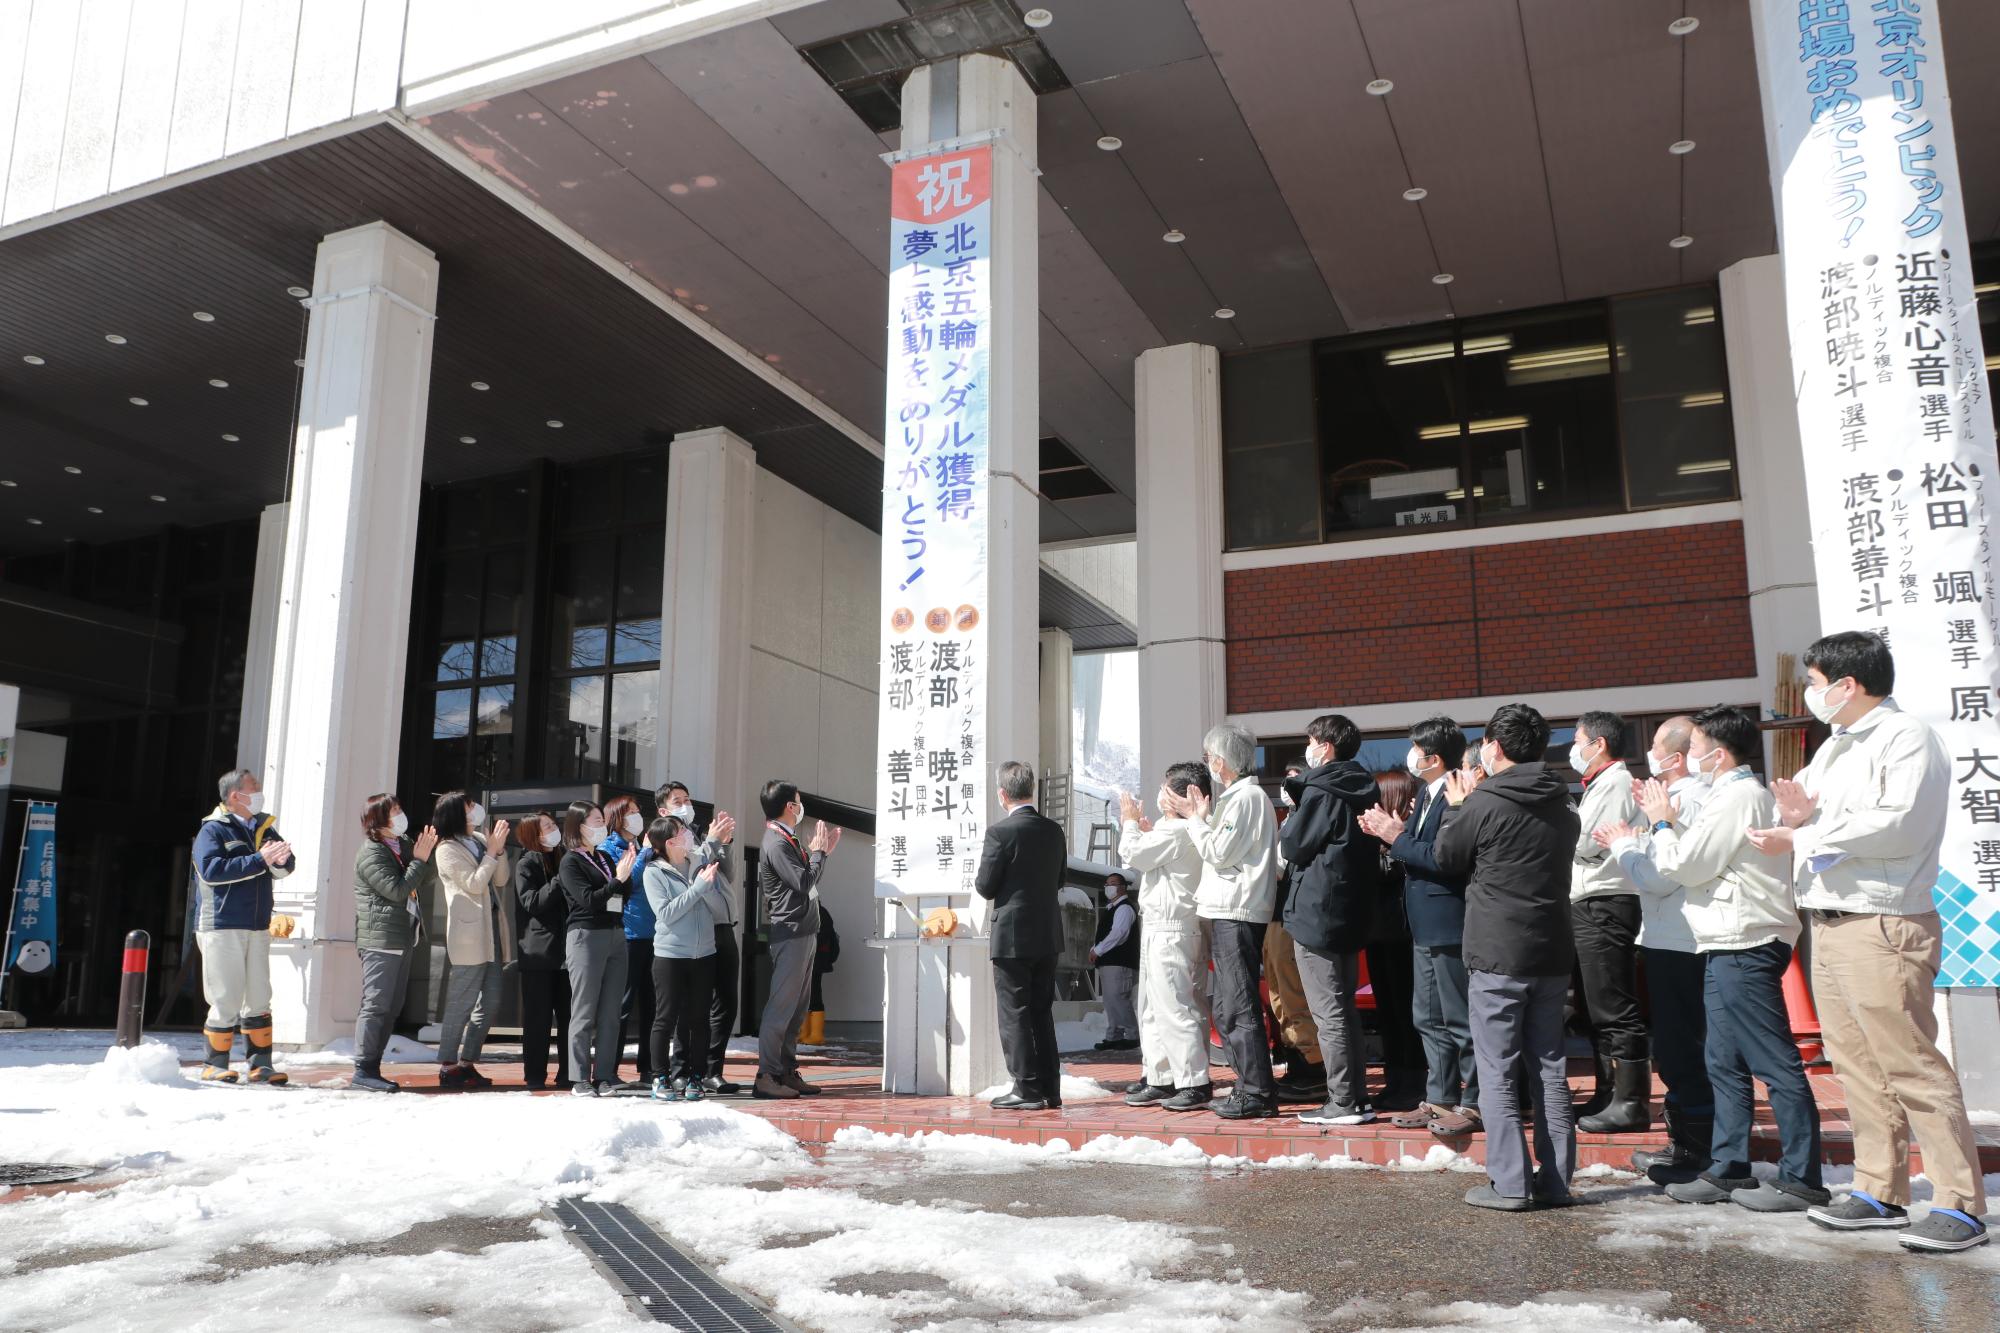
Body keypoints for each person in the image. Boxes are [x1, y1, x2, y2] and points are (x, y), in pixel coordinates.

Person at [1747, 630, 1990, 1253]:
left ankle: (1958, 1201)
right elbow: (1814, 816)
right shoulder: (1837, 746)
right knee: (1856, 1063)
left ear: (1847, 685)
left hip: (1881, 920)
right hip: (1830, 920)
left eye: (1816, 682)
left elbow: (1898, 824)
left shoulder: (1906, 737)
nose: (1812, 692)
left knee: (1908, 1060)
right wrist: (1797, 819)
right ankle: (1880, 1189)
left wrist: (1804, 834)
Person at [1601, 705, 1827, 1213]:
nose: (1687, 757)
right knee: (1721, 1060)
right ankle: (1728, 1167)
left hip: (1745, 938)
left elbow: (1686, 865)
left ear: (1718, 755)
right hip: (1723, 939)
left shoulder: (1738, 796)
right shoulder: (1731, 794)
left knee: (1773, 1060)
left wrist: (1660, 825)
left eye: (1696, 748)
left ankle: (1801, 1177)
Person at [1433, 703, 1581, 1211]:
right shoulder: (1564, 801)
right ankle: (1558, 1180)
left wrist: (1455, 807)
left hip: (1497, 951)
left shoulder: (1485, 800)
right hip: (1552, 948)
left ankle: (1511, 1184)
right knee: (1549, 1068)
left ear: (1494, 748)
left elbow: (1447, 857)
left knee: (1497, 1069)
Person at [1606, 716, 1716, 1179]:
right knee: (1677, 1045)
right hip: (1668, 935)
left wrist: (1624, 847)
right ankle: (1685, 1144)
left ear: (1673, 757)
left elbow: (1661, 876)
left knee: (1681, 1047)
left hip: (1680, 938)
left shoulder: (1686, 801)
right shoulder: (1673, 801)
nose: (1647, 752)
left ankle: (1694, 1152)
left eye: (1653, 744)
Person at [1361, 717, 1480, 1138]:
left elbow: (1447, 857)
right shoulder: (1428, 794)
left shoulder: (1457, 795)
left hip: (1449, 920)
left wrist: (1395, 835)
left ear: (1433, 756)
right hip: (1422, 923)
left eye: (1416, 749)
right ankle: (1439, 1097)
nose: (1411, 756)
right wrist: (1389, 834)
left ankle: (1474, 1102)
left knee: (1459, 1017)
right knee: (1427, 1017)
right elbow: (1416, 852)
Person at [1169, 722, 1280, 1120]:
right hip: (1229, 909)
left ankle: (1256, 1091)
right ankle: (1247, 1087)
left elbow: (1218, 851)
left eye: (1210, 756)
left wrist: (1195, 818)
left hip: (1237, 910)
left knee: (1239, 1003)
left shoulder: (1245, 798)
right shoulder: (1239, 797)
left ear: (1222, 760)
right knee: (1231, 1004)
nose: (1209, 764)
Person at [1277, 713, 1383, 1126]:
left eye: (1310, 740)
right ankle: (1355, 1097)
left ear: (1325, 746)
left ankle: (1343, 1101)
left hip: (1316, 910)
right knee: (1343, 1009)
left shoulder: (1320, 790)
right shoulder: (1361, 784)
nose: (1307, 747)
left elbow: (1293, 844)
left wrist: (1296, 805)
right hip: (1348, 909)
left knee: (1328, 1010)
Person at [1568, 709, 1649, 1133]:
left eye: (1577, 739)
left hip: (1607, 901)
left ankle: (1632, 1101)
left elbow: (1586, 843)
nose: (1573, 748)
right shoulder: (1599, 784)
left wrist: (1565, 826)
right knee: (1594, 1006)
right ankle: (1608, 1091)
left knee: (1614, 1006)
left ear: (1598, 744)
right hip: (1588, 901)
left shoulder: (1617, 782)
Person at [1118, 762, 1214, 1111]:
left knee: (1175, 1006)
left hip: (1172, 927)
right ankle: (1161, 1076)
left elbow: (1132, 854)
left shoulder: (1179, 830)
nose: (1159, 794)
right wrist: (1144, 829)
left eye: (1164, 788)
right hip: (1165, 925)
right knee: (1153, 1008)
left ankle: (1193, 1081)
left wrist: (1129, 822)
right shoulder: (1176, 829)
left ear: (1181, 795)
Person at [192, 769, 296, 1084]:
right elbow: (210, 871)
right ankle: (214, 1063)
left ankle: (260, 1064)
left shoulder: (264, 826)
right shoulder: (213, 830)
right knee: (225, 996)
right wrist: (259, 860)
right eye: (255, 788)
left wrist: (280, 861)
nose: (260, 792)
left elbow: (285, 866)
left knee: (260, 994)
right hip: (222, 925)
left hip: (257, 925)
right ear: (235, 795)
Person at [976, 761, 1069, 1110]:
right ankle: (1050, 1088)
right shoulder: (1053, 831)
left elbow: (985, 886)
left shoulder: (1000, 833)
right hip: (1047, 933)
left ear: (1002, 794)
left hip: (1011, 936)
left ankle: (1025, 1088)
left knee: (1014, 1012)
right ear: (1032, 790)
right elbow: (1060, 879)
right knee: (1042, 1012)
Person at [643, 811, 735, 1100]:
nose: (687, 836)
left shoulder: (695, 861)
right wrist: (698, 889)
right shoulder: (654, 872)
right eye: (682, 832)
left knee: (699, 1019)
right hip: (670, 955)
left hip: (704, 953)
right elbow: (666, 912)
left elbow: (708, 847)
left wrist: (718, 837)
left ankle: (696, 1077)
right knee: (666, 1018)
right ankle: (660, 1076)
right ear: (670, 843)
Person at [349, 793, 438, 1093]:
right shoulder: (372, 853)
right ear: (378, 820)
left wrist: (424, 857)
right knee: (376, 1005)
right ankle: (363, 1068)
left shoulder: (401, 845)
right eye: (394, 811)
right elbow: (397, 890)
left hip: (402, 937)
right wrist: (420, 861)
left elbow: (425, 878)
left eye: (400, 808)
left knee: (392, 1006)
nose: (401, 815)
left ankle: (373, 1066)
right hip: (380, 939)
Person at [659, 781, 743, 1093]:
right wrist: (710, 841)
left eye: (687, 799)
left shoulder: (698, 834)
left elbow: (726, 873)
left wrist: (725, 842)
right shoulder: (671, 838)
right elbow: (690, 870)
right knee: (691, 1005)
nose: (685, 804)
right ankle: (680, 1069)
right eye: (677, 800)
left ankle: (711, 1069)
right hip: (698, 930)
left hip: (724, 926)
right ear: (663, 809)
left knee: (726, 1002)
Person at [757, 781, 836, 1100]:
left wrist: (822, 855)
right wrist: (818, 853)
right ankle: (767, 1074)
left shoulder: (786, 839)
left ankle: (786, 1071)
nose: (801, 807)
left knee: (796, 1009)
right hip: (790, 932)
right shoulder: (776, 842)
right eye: (799, 802)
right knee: (781, 1007)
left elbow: (808, 880)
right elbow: (804, 882)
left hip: (804, 931)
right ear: (790, 806)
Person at [432, 792, 513, 1090]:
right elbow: (474, 884)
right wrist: (491, 853)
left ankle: (468, 1061)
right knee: (462, 1002)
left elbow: (501, 880)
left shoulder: (479, 839)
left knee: (490, 1000)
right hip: (468, 933)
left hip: (491, 929)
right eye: (468, 806)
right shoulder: (446, 849)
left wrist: (498, 851)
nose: (474, 810)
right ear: (455, 812)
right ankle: (448, 1064)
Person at [558, 800, 639, 1096]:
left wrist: (624, 876)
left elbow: (621, 894)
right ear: (579, 826)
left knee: (610, 1010)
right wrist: (618, 879)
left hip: (616, 933)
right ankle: (579, 1077)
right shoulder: (571, 861)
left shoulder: (604, 857)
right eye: (595, 820)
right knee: (584, 1009)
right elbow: (588, 900)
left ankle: (604, 1074)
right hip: (586, 936)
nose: (601, 826)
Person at [1364, 767, 1426, 1114]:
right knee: (1387, 1011)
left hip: (1403, 935)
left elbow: (1390, 872)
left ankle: (1413, 1083)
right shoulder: (1384, 838)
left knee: (1405, 1012)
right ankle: (1395, 1081)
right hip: (1379, 933)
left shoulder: (1408, 835)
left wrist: (1384, 840)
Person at [1266, 763, 1326, 1102]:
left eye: (1295, 778)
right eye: (1285, 778)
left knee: (1292, 990)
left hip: (1293, 914)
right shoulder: (1285, 819)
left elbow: (1287, 865)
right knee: (1278, 991)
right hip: (1274, 912)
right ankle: (1294, 1059)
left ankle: (1312, 1065)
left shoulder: (1307, 820)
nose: (1287, 785)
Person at [514, 813, 573, 1090]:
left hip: (567, 951)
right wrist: (559, 880)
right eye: (547, 827)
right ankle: (535, 1075)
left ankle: (568, 1073)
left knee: (568, 1017)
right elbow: (532, 902)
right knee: (537, 1020)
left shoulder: (564, 856)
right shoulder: (527, 862)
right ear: (533, 835)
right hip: (538, 953)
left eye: (553, 825)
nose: (554, 830)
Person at [602, 795, 655, 1089]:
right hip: (628, 933)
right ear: (617, 818)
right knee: (622, 1004)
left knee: (651, 1005)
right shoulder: (609, 849)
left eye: (637, 811)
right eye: (631, 813)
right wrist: (644, 854)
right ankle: (609, 1068)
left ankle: (647, 1068)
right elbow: (624, 883)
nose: (637, 817)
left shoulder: (640, 848)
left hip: (652, 934)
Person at [1090, 872, 1140, 1052]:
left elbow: (1119, 933)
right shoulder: (1113, 908)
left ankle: (1132, 1035)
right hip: (1111, 962)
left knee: (1118, 999)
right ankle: (1114, 1036)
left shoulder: (1124, 908)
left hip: (1120, 962)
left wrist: (1099, 949)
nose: (1107, 887)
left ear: (1122, 887)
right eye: (1106, 884)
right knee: (1111, 1001)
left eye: (1112, 883)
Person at [803, 905, 841, 1047]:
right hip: (814, 959)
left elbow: (820, 936)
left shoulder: (817, 912)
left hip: (814, 960)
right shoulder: (819, 911)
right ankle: (805, 1033)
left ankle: (815, 1035)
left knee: (813, 996)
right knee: (808, 996)